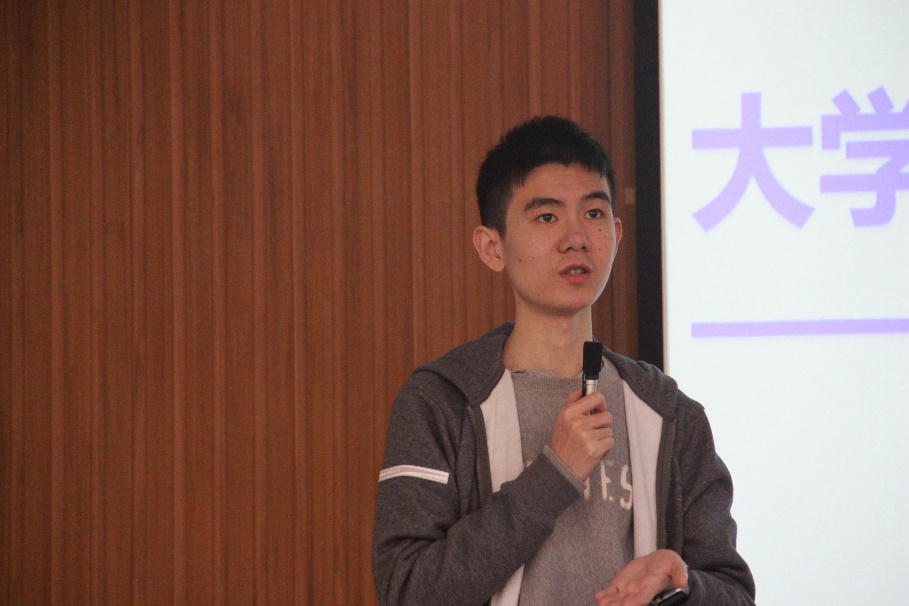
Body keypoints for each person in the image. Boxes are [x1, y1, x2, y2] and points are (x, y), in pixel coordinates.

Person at [371, 116, 755, 606]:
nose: (577, 237)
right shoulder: (441, 400)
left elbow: (734, 594)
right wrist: (553, 475)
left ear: (616, 234)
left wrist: (681, 585)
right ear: (492, 247)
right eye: (547, 217)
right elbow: (406, 589)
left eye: (594, 213)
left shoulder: (670, 413)